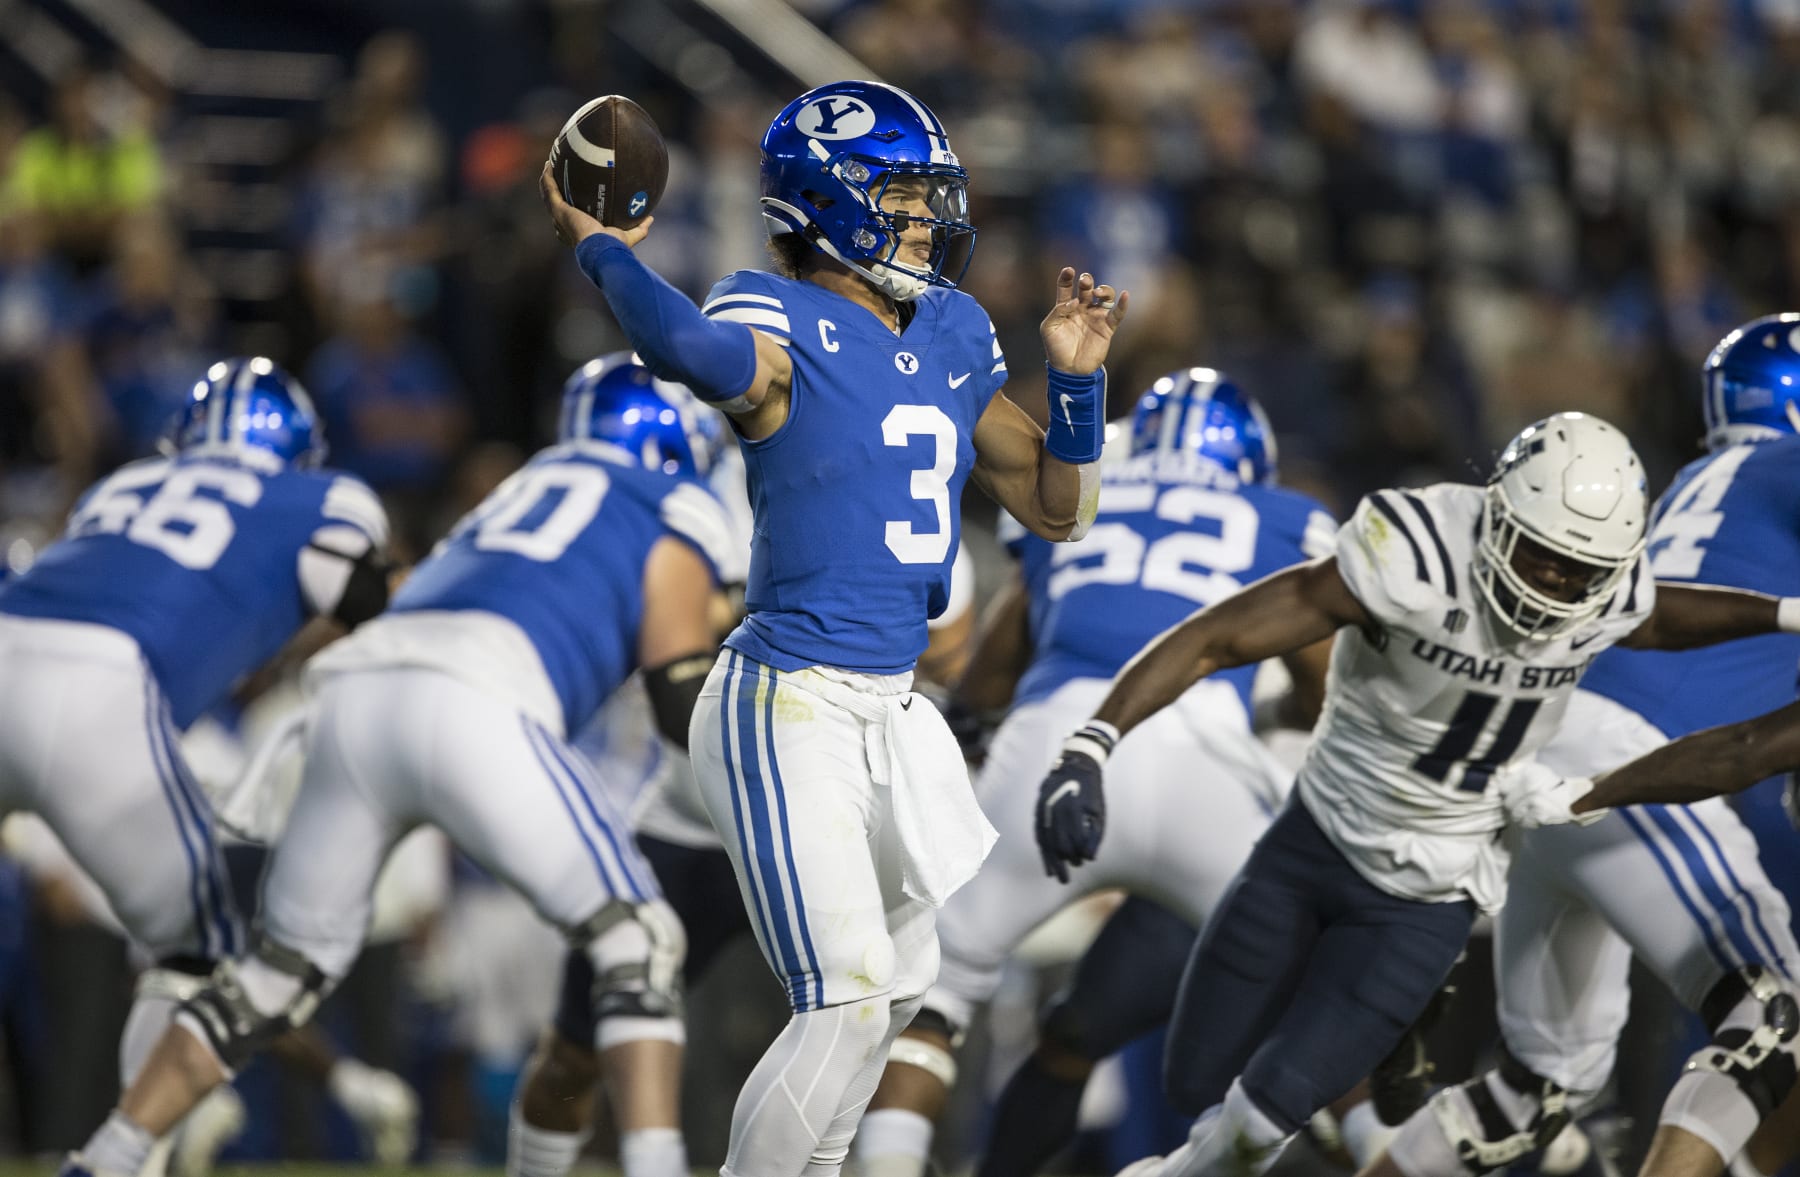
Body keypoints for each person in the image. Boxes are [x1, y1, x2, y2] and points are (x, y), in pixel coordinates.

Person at [540, 79, 1128, 1177]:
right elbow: (693, 356)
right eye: (904, 196)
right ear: (832, 199)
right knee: (850, 998)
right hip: (788, 698)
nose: (927, 219)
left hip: (891, 712)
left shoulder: (950, 329)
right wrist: (603, 249)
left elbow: (1062, 507)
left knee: (895, 995)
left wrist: (1080, 385)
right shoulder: (771, 313)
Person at [1028, 411, 1800, 1177]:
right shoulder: (1416, 553)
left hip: (1433, 890)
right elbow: (1216, 636)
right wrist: (1090, 742)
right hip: (1314, 843)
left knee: (1257, 1128)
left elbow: (1655, 613)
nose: (1560, 585)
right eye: (1543, 557)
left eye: (1582, 570)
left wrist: (1780, 612)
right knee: (1194, 1077)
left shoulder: (1606, 587)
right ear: (1499, 513)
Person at [62, 355, 734, 1177]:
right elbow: (675, 693)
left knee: (274, 980)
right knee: (640, 938)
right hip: (478, 697)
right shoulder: (673, 502)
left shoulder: (524, 486)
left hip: (350, 699)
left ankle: (105, 1158)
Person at [851, 368, 1336, 1177]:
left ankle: (889, 1166)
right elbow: (1331, 692)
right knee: (1321, 1009)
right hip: (1211, 770)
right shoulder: (1288, 520)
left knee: (935, 988)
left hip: (1056, 746)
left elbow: (990, 680)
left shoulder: (1080, 494)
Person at [1355, 316, 1800, 1177]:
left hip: (1547, 757)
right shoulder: (1778, 473)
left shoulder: (1693, 492)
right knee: (1771, 1017)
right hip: (1631, 771)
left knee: (1534, 1087)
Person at [0, 357, 390, 1134]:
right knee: (197, 957)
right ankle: (129, 1153)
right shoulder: (325, 496)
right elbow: (365, 606)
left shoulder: (120, 487)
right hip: (110, 685)